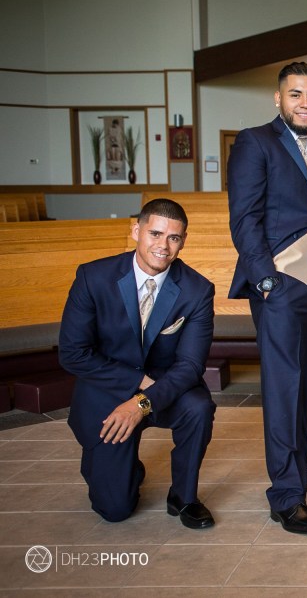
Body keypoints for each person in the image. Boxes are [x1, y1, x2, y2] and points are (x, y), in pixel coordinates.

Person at [227, 61, 307, 535]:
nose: (306, 103)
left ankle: (299, 462)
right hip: (279, 290)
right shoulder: (254, 143)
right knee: (284, 389)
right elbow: (244, 219)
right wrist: (265, 282)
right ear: (278, 99)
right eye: (296, 95)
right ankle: (286, 494)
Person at [59, 199, 216, 528]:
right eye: (155, 234)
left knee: (199, 407)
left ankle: (184, 496)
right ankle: (124, 467)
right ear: (136, 231)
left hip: (164, 389)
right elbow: (73, 353)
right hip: (108, 387)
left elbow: (189, 366)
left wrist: (143, 401)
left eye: (174, 238)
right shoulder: (93, 277)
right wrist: (138, 384)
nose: (163, 245)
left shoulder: (197, 290)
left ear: (183, 241)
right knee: (115, 510)